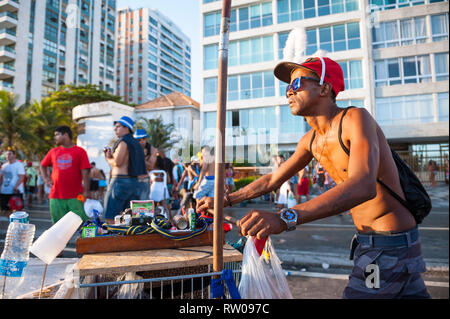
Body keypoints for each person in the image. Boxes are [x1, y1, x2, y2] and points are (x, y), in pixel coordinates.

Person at [197, 56, 430, 299]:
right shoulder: (310, 140)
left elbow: (363, 185)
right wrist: (226, 200)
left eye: (297, 84)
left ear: (324, 88)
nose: (289, 92)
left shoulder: (355, 119)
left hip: (387, 246)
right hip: (373, 243)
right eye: (288, 87)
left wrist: (285, 217)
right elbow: (271, 180)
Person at [40, 126, 91, 224]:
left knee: (80, 224)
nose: (55, 137)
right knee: (58, 226)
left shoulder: (80, 151)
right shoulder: (53, 151)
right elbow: (42, 165)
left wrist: (87, 191)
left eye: (57, 135)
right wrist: (46, 179)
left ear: (66, 135)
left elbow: (85, 172)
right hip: (56, 195)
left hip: (76, 196)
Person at [103, 116, 148, 223]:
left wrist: (108, 157)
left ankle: (113, 237)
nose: (115, 129)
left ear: (126, 128)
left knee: (111, 216)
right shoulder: (136, 143)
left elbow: (117, 163)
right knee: (129, 218)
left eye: (118, 127)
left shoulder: (123, 142)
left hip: (120, 182)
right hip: (134, 182)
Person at [149, 156, 171, 220]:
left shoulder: (152, 170)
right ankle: (170, 221)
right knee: (166, 207)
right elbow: (168, 181)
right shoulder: (163, 171)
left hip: (154, 189)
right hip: (162, 188)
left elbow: (149, 181)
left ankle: (153, 221)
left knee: (153, 207)